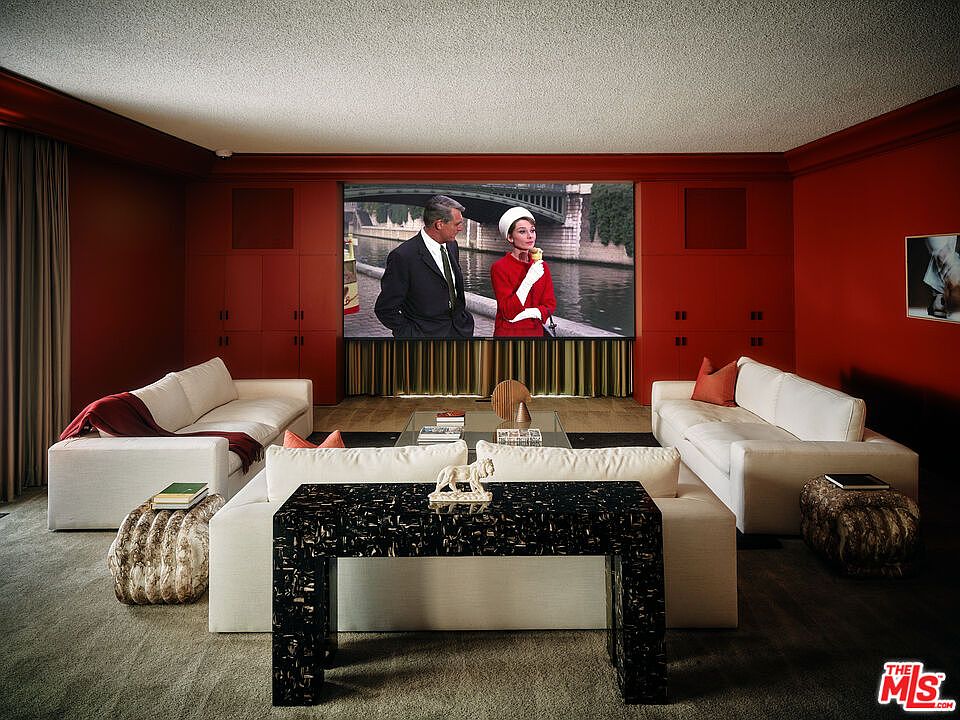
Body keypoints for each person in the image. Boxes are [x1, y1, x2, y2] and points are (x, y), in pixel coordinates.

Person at [374, 195, 475, 338]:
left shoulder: (452, 246)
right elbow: (385, 309)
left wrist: (464, 321)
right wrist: (411, 334)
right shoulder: (403, 256)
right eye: (457, 224)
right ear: (439, 224)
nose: (461, 228)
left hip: (459, 331)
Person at [490, 207, 557, 337]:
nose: (530, 236)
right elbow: (508, 312)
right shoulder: (499, 267)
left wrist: (528, 313)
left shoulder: (542, 266)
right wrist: (528, 280)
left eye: (532, 230)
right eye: (522, 231)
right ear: (510, 237)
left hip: (535, 334)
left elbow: (550, 305)